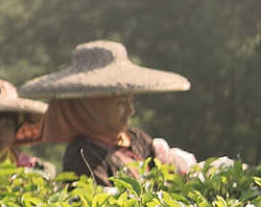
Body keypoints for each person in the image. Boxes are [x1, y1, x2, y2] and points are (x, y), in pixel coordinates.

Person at [19, 41, 196, 186]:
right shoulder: (82, 154)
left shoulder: (136, 139)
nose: (130, 111)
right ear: (89, 108)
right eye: (120, 103)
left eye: (130, 102)